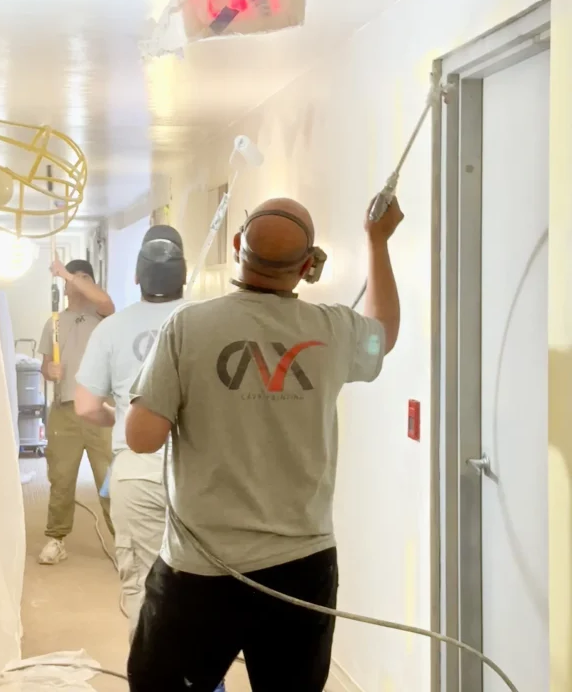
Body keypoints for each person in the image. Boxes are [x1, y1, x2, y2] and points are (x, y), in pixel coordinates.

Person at [123, 196, 403, 691]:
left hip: (200, 570)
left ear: (237, 247)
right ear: (310, 266)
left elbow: (142, 438)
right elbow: (384, 332)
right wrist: (377, 241)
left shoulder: (188, 327)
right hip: (303, 568)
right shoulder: (334, 330)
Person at [75, 224, 228, 692]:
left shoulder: (112, 328)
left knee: (144, 583)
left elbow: (84, 406)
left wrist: (121, 419)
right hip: (205, 473)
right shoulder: (213, 319)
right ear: (184, 275)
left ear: (139, 278)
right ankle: (207, 683)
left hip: (138, 472)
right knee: (207, 584)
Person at [36, 257, 116, 565]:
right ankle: (56, 539)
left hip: (100, 410)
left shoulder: (102, 314)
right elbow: (45, 366)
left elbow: (105, 300)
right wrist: (49, 370)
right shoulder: (54, 322)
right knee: (62, 479)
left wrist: (68, 274)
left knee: (109, 481)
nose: (78, 283)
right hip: (64, 412)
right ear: (65, 289)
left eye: (86, 278)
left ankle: (126, 546)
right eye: (74, 279)